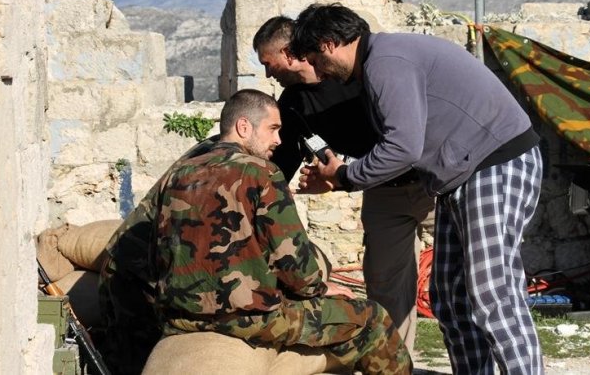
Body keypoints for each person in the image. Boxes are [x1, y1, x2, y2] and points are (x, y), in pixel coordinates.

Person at [290, 3, 544, 375]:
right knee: (450, 298)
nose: (319, 72)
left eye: (316, 60)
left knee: (492, 292)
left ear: (328, 44)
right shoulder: (380, 62)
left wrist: (344, 176)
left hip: (494, 163)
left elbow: (403, 147)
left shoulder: (385, 62)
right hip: (460, 178)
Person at [101, 89, 412, 375]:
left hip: (178, 317)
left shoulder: (179, 174)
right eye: (273, 129)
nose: (278, 140)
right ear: (244, 127)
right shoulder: (262, 173)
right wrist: (320, 288)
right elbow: (294, 262)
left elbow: (157, 252)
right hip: (250, 318)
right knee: (373, 320)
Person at [253, 15, 435, 352]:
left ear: (288, 53)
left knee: (464, 276)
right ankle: (394, 364)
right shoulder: (292, 104)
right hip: (383, 193)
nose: (267, 74)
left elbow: (402, 135)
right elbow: (281, 166)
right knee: (385, 286)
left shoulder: (360, 76)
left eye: (268, 63)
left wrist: (340, 178)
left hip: (433, 180)